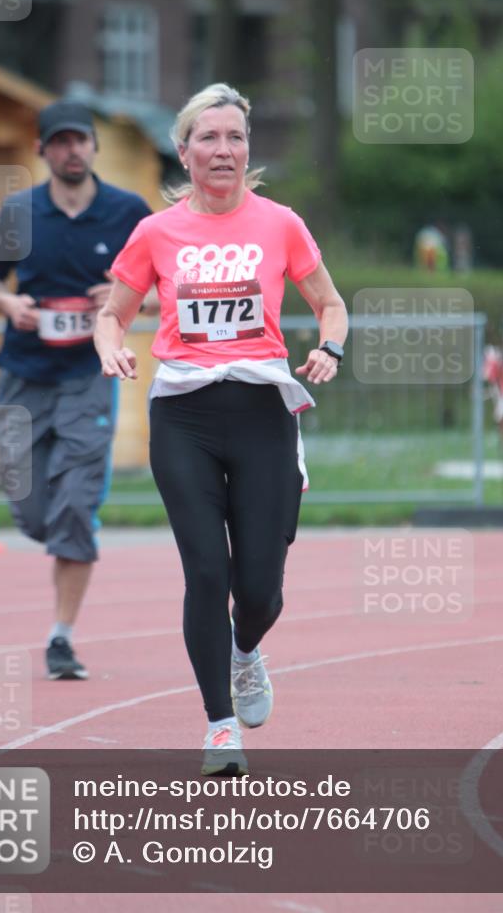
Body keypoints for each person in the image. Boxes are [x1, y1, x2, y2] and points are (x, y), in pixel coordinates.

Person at [94, 83, 348, 775]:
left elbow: (329, 303)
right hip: (184, 414)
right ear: (184, 151)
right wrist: (109, 345)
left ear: (247, 151)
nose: (223, 149)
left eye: (234, 137)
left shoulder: (280, 224)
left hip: (263, 411)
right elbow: (112, 312)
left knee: (260, 588)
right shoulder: (156, 231)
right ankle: (218, 726)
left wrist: (330, 348)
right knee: (206, 571)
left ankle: (245, 651)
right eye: (208, 137)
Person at [0, 100, 152, 681]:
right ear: (42, 150)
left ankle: (61, 637)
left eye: (81, 140)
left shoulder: (128, 212)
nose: (72, 150)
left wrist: (126, 300)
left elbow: (165, 287)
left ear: (95, 148)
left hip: (89, 376)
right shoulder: (20, 211)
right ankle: (60, 535)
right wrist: (8, 303)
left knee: (76, 506)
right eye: (60, 141)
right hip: (24, 375)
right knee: (30, 511)